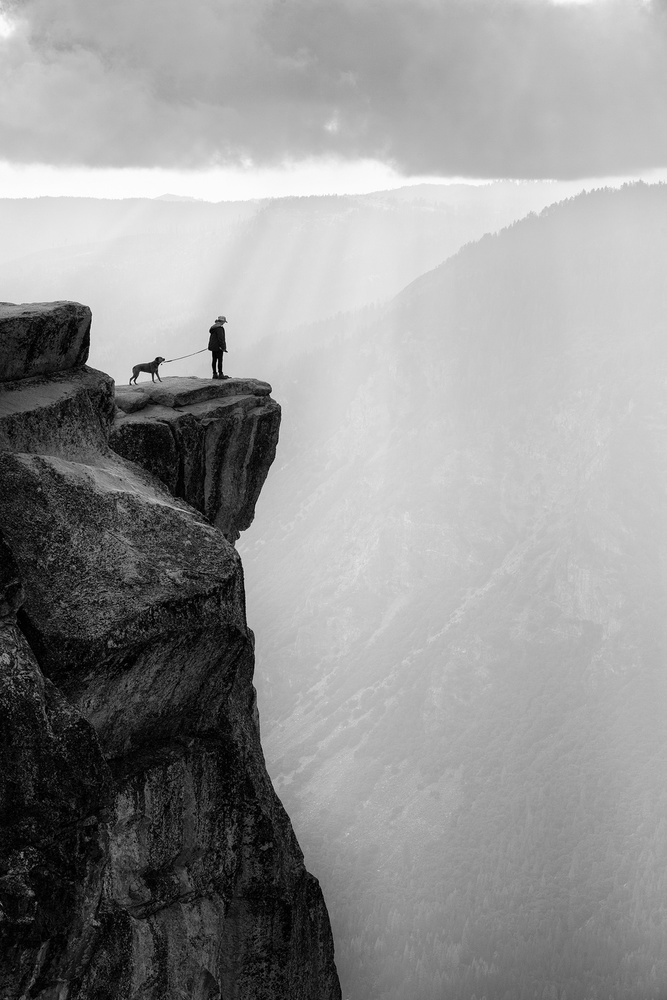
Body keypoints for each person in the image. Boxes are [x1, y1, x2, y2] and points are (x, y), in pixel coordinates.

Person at [208, 315, 228, 379]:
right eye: (224, 322)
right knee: (220, 360)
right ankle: (220, 374)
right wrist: (223, 347)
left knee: (214, 360)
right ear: (222, 321)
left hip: (213, 347)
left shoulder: (213, 328)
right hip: (218, 347)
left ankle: (214, 374)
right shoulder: (220, 328)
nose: (224, 323)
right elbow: (221, 339)